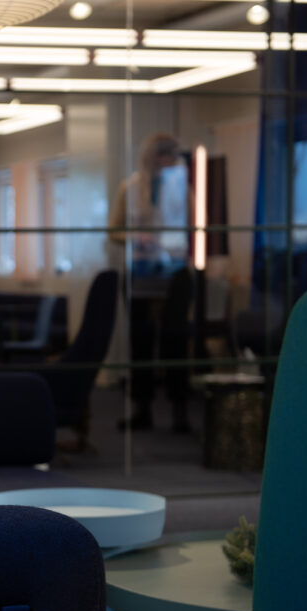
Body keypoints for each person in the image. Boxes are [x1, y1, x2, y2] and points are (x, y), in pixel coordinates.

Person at [107, 133, 193, 432]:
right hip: (141, 271)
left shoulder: (183, 187)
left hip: (174, 270)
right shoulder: (129, 187)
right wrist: (136, 238)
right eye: (160, 155)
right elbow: (114, 230)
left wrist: (171, 242)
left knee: (175, 341)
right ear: (150, 158)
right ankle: (142, 408)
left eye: (170, 155)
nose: (165, 161)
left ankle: (180, 410)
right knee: (141, 342)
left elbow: (196, 225)